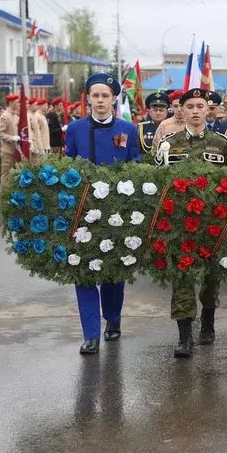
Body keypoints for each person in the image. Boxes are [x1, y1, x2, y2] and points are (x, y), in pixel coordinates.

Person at [65, 73, 141, 355]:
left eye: (105, 96)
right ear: (88, 98)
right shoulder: (75, 129)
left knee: (112, 270)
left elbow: (135, 164)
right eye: (95, 95)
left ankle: (113, 316)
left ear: (113, 99)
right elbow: (67, 164)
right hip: (83, 211)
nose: (100, 101)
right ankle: (90, 333)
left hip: (116, 211)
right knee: (83, 269)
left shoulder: (128, 129)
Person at [156, 88, 227, 358]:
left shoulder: (221, 143)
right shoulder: (168, 143)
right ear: (181, 109)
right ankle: (184, 336)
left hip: (212, 221)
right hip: (179, 223)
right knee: (182, 276)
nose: (195, 111)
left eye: (200, 106)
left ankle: (208, 324)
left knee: (212, 276)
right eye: (190, 106)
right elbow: (157, 183)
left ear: (208, 109)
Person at [0, 94, 22, 186]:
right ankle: (5, 198)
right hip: (7, 151)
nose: (18, 104)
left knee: (14, 176)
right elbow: (1, 133)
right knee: (6, 175)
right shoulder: (5, 116)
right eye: (17, 102)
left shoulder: (14, 116)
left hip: (15, 150)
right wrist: (12, 138)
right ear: (11, 103)